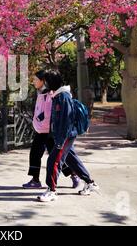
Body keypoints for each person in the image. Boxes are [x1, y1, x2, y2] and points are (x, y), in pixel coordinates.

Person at [37, 70, 99, 202]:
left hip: (65, 136)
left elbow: (67, 120)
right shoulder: (58, 95)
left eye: (46, 82)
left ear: (51, 83)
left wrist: (60, 141)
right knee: (72, 160)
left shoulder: (63, 97)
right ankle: (90, 183)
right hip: (62, 136)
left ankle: (51, 190)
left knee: (53, 162)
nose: (45, 85)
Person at [22, 70, 81, 189]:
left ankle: (74, 175)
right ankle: (35, 180)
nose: (33, 82)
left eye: (35, 80)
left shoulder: (51, 94)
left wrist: (39, 120)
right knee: (35, 154)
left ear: (43, 81)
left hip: (50, 131)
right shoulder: (40, 92)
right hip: (41, 130)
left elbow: (49, 113)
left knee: (57, 157)